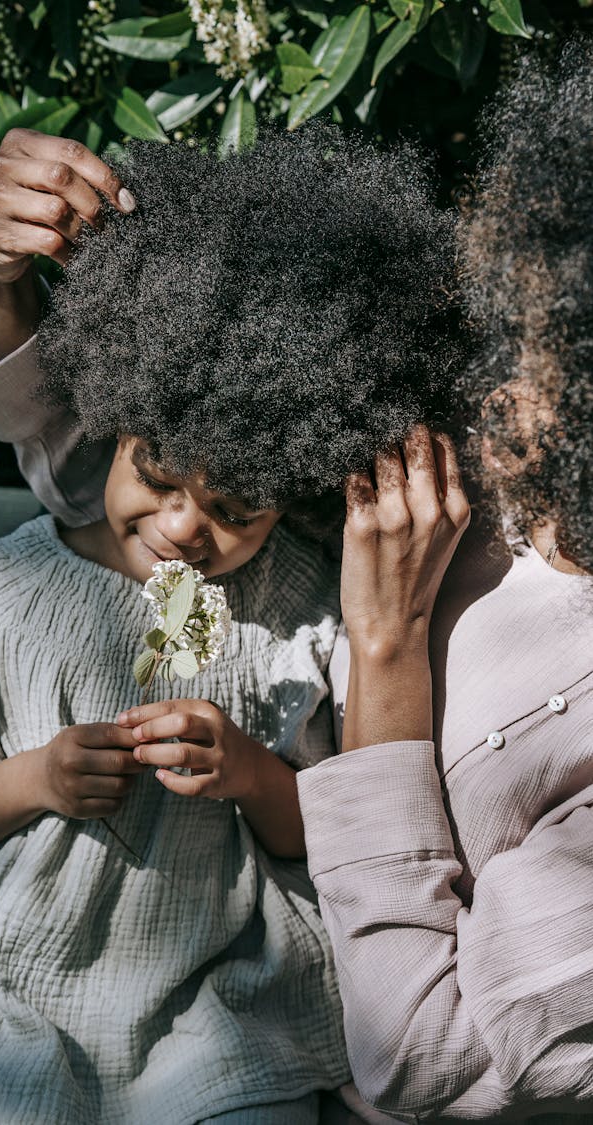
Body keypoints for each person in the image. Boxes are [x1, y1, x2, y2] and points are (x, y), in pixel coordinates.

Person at [0, 126, 466, 1124]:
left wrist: (257, 777)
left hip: (219, 1009)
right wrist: (36, 778)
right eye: (161, 480)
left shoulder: (304, 615)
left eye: (236, 509)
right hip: (11, 998)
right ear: (109, 420)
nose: (185, 530)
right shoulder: (5, 588)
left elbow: (335, 826)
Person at [297, 37, 593, 1123]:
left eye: (544, 353)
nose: (494, 384)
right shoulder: (510, 473)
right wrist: (8, 299)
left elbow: (421, 1058)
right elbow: (147, 496)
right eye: (514, 321)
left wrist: (384, 646)